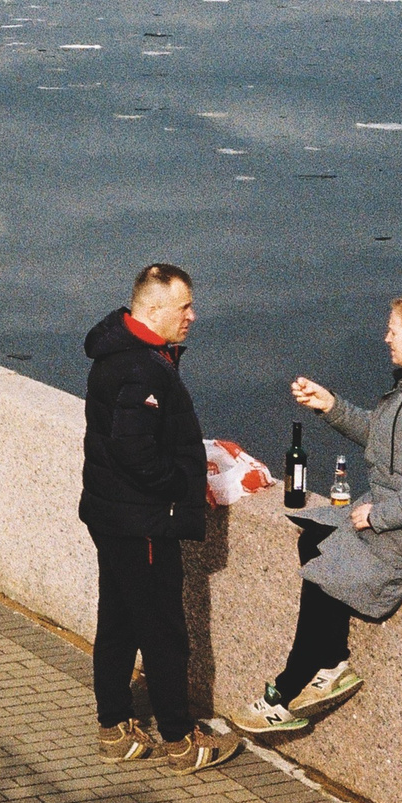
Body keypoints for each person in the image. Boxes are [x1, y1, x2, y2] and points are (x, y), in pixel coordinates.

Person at [233, 290, 402, 738]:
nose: (386, 338)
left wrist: (380, 516)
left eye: (394, 331)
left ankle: (284, 692)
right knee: (315, 534)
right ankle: (334, 661)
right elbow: (386, 437)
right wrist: (331, 406)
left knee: (328, 573)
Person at [80, 263, 242, 774]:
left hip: (113, 514)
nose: (193, 315)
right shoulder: (141, 368)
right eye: (185, 306)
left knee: (119, 620)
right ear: (152, 311)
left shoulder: (125, 354)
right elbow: (136, 452)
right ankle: (180, 739)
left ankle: (115, 729)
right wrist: (188, 484)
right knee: (163, 628)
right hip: (141, 520)